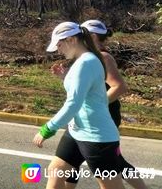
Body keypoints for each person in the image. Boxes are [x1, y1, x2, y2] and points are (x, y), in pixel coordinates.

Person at [53, 20, 147, 189]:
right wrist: (65, 78)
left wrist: (99, 104)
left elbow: (119, 86)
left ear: (93, 36)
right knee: (65, 164)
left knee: (113, 164)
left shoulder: (102, 57)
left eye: (84, 34)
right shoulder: (85, 57)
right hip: (84, 118)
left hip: (103, 116)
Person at [33, 22, 125, 189]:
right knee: (55, 171)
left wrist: (48, 128)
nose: (58, 50)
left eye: (59, 45)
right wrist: (65, 78)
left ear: (71, 40)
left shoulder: (87, 62)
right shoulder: (84, 60)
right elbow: (85, 93)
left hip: (97, 138)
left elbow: (74, 103)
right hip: (77, 132)